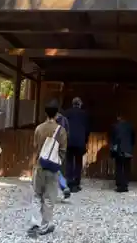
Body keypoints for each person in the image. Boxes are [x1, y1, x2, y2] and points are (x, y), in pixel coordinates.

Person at [28, 100, 68, 237]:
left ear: (46, 113)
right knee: (49, 197)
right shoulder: (61, 131)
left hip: (39, 166)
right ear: (57, 114)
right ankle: (46, 224)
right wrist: (57, 161)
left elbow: (35, 147)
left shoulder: (39, 128)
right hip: (52, 168)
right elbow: (63, 151)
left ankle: (35, 223)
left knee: (36, 195)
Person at [63, 97, 90, 193]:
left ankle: (69, 182)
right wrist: (85, 140)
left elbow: (63, 127)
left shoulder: (66, 113)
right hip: (80, 142)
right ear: (80, 104)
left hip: (69, 141)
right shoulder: (84, 114)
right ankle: (76, 183)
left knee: (69, 161)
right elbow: (87, 129)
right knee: (78, 162)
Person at [110, 114, 135, 193]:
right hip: (128, 150)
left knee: (119, 167)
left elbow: (113, 139)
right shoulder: (130, 126)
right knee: (126, 167)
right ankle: (125, 185)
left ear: (118, 118)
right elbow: (133, 139)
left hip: (119, 150)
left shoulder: (115, 126)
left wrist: (112, 149)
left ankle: (119, 185)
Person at [55, 107, 71, 199]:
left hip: (51, 146)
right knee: (58, 168)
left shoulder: (51, 121)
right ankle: (64, 186)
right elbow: (67, 133)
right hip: (62, 147)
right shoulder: (65, 120)